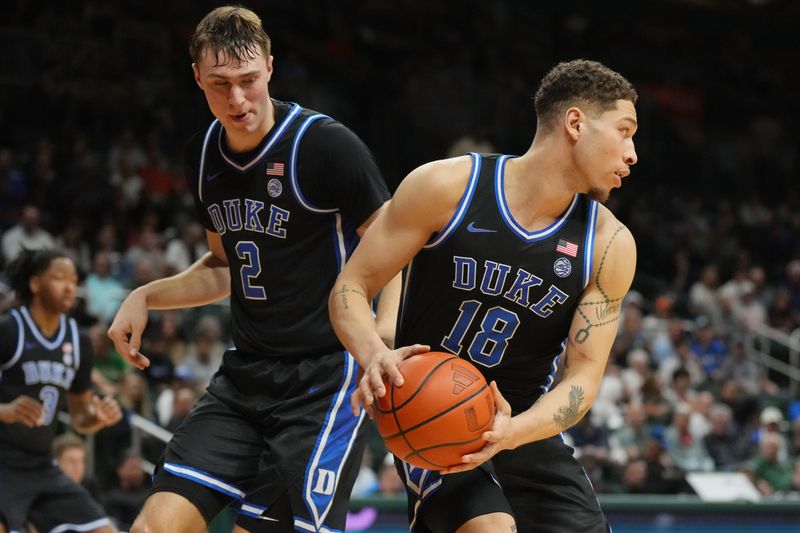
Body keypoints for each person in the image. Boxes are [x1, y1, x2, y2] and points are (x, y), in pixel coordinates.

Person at [106, 6, 395, 533]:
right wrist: (146, 295)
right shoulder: (203, 157)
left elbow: (395, 250)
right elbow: (224, 266)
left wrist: (382, 337)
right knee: (153, 526)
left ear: (270, 67)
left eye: (248, 81)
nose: (237, 99)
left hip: (324, 378)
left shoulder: (326, 145)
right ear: (197, 79)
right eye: (220, 84)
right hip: (245, 376)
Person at [330, 59, 639, 532]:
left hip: (523, 424)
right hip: (432, 411)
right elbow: (350, 287)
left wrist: (515, 430)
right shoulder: (447, 186)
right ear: (576, 123)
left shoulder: (609, 245)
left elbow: (583, 378)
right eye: (624, 131)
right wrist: (373, 353)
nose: (632, 153)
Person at [0, 248, 123, 533]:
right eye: (59, 278)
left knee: (105, 530)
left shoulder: (79, 341)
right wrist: (5, 411)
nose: (70, 286)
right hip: (3, 462)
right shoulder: (9, 330)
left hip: (42, 465)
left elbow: (80, 418)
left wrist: (98, 418)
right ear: (35, 284)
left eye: (74, 279)